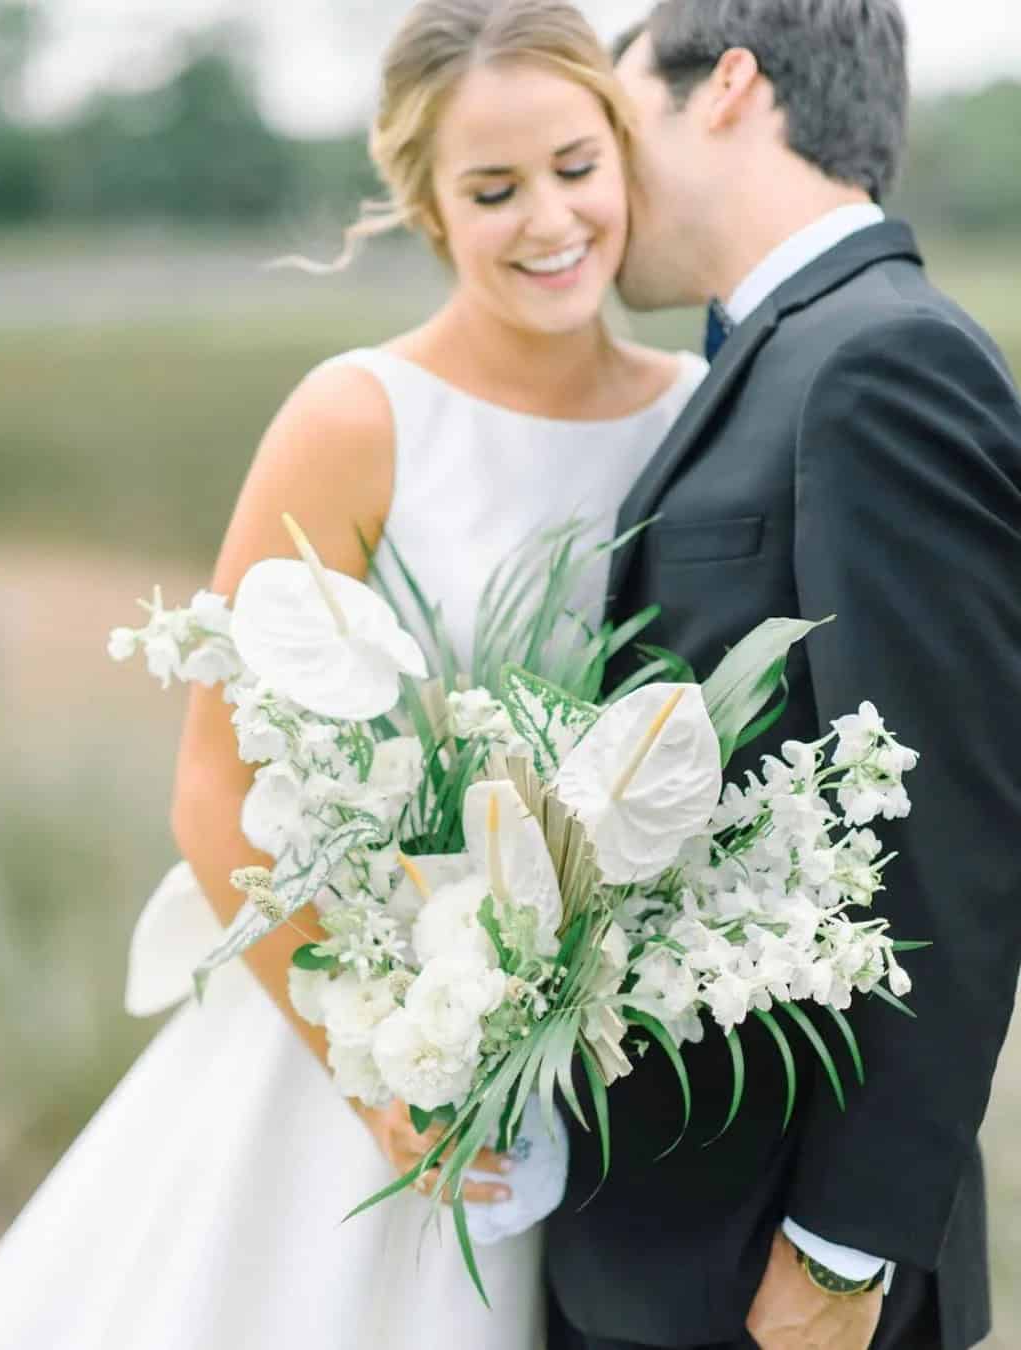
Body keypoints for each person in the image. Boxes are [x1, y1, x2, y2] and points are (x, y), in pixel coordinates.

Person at [0, 3, 708, 1348]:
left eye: (576, 167)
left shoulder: (697, 410)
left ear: (626, 155)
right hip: (367, 1051)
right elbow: (212, 785)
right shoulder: (358, 417)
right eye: (493, 189)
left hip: (599, 1078)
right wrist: (380, 1070)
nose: (550, 220)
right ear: (426, 206)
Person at [544, 3, 1021, 1350]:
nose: (591, 182)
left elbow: (953, 844)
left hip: (776, 1274)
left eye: (614, 119)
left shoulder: (883, 360)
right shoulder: (760, 357)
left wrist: (843, 1249)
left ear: (730, 86)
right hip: (662, 1245)